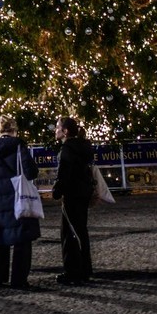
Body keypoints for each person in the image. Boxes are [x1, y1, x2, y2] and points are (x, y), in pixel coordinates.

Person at [0, 115, 40, 289]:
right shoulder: (19, 146)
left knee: (1, 239)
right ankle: (19, 279)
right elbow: (31, 172)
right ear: (14, 130)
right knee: (22, 240)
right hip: (17, 198)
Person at [52, 116, 93, 285]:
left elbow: (64, 173)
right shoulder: (83, 147)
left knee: (70, 233)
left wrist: (56, 190)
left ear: (65, 131)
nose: (55, 130)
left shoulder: (67, 149)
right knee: (80, 230)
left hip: (72, 194)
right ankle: (84, 269)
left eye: (58, 127)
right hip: (83, 192)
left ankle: (73, 271)